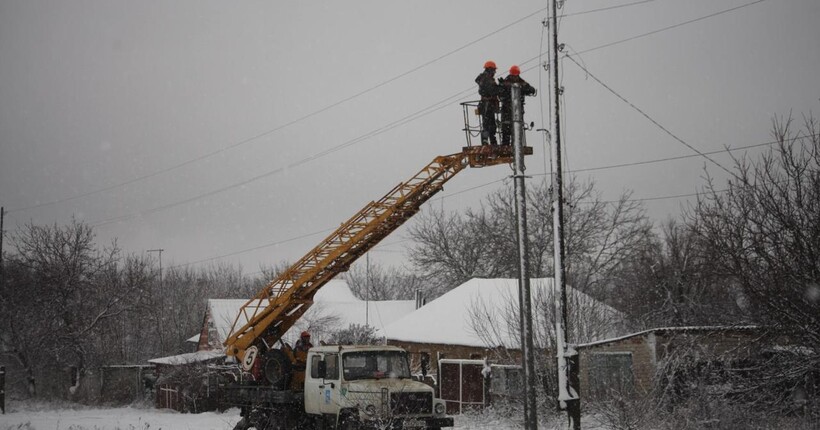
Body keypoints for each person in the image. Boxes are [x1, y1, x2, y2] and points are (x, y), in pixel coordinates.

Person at [498, 65, 536, 146]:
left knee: (516, 131)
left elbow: (531, 89)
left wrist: (524, 88)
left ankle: (515, 145)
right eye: (513, 76)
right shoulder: (505, 83)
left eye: (516, 75)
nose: (515, 77)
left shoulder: (521, 83)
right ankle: (506, 146)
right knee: (506, 130)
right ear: (511, 75)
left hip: (516, 111)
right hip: (507, 111)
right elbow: (500, 94)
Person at [475, 60, 503, 145]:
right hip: (487, 104)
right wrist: (500, 87)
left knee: (490, 124)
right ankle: (487, 141)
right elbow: (492, 90)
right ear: (490, 69)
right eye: (494, 70)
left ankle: (490, 140)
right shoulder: (486, 79)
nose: (495, 72)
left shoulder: (485, 78)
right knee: (488, 124)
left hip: (487, 104)